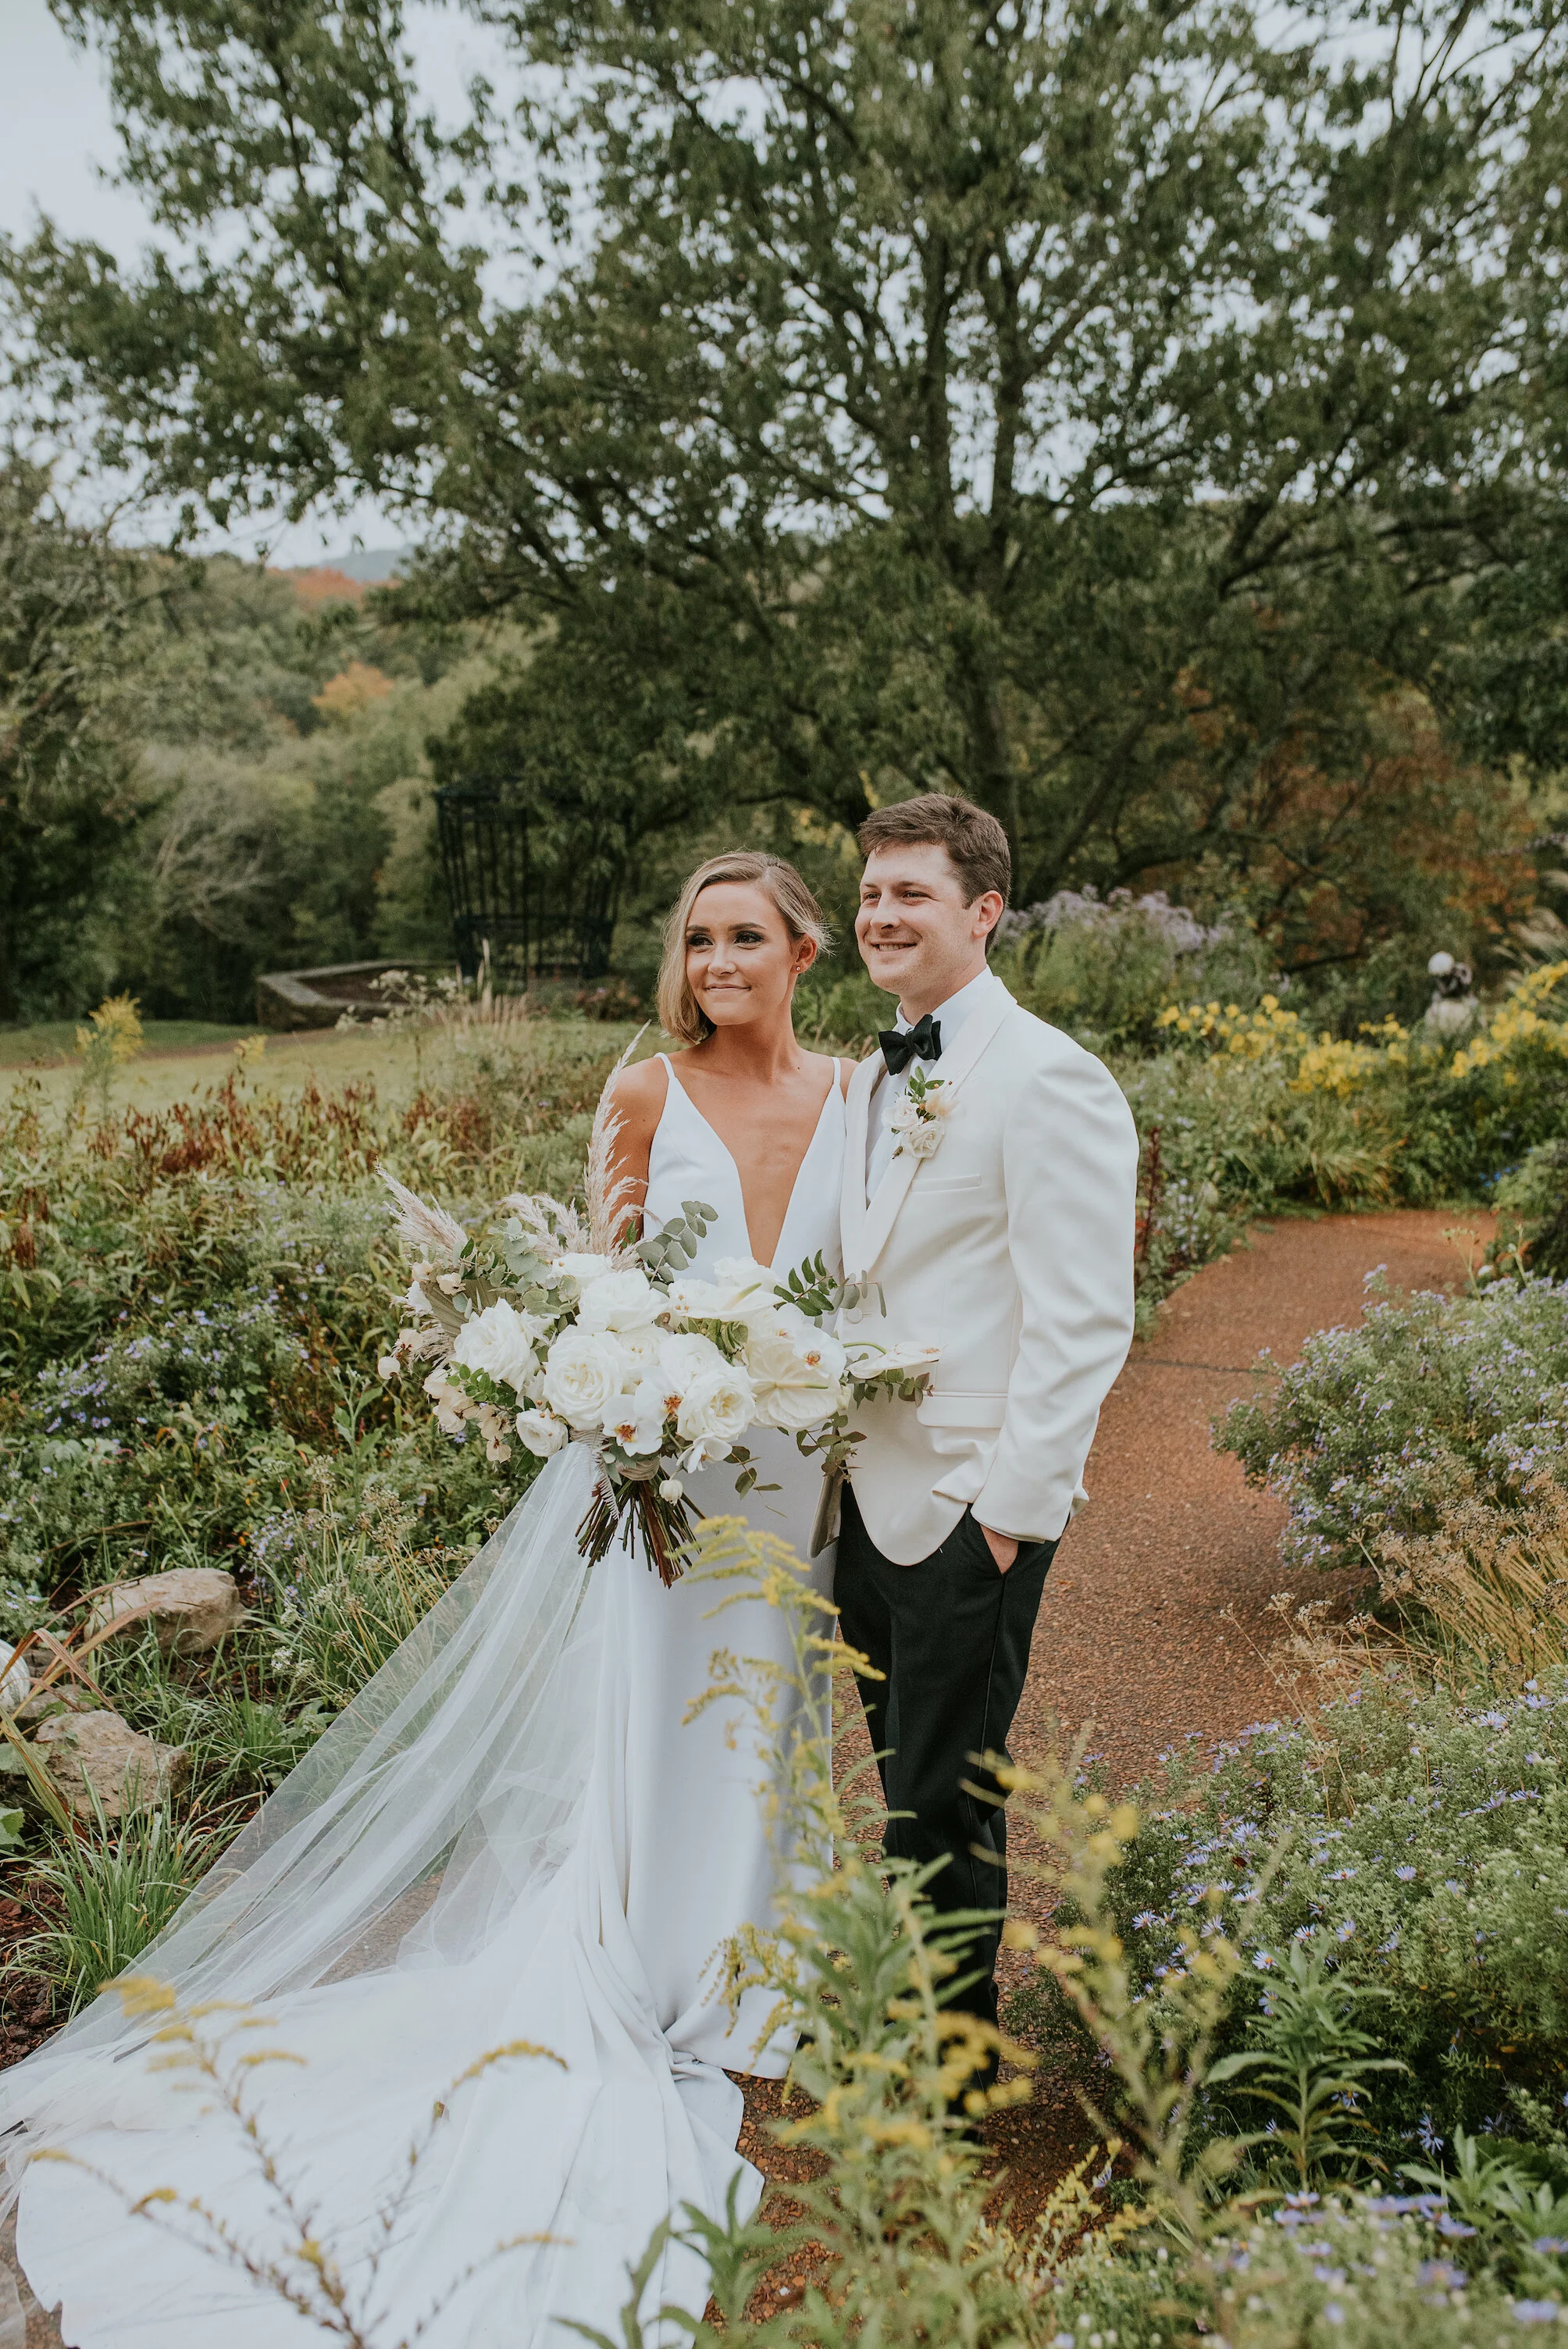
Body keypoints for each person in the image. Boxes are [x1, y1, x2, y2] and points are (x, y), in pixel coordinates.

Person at [3, 852, 850, 2349]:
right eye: (698, 939)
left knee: (772, 1703)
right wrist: (642, 1396)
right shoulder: (646, 1091)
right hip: (677, 1468)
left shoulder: (857, 1096)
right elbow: (610, 1279)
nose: (718, 961)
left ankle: (759, 1965)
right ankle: (657, 1967)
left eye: (745, 937)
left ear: (803, 948)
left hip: (798, 1469)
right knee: (664, 1708)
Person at [833, 794, 1139, 2071]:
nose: (881, 915)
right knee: (907, 1783)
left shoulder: (1050, 1077)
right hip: (861, 1495)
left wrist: (1009, 1519)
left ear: (985, 912)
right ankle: (914, 2028)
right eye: (868, 894)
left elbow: (1083, 1324)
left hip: (969, 1503)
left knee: (950, 1798)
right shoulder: (869, 1075)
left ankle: (954, 2079)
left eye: (911, 894)